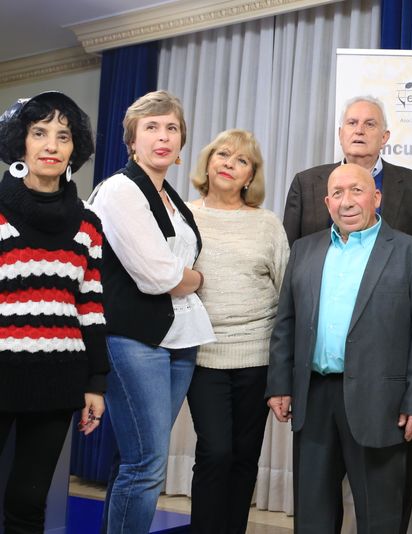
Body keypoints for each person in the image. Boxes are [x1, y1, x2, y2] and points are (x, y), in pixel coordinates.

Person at [266, 163, 412, 533]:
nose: (347, 201)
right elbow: (286, 323)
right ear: (327, 202)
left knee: (380, 515)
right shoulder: (303, 250)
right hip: (313, 398)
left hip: (382, 403)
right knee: (312, 516)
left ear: (377, 197)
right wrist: (280, 384)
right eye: (338, 193)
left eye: (357, 191)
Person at [90, 90, 215, 534]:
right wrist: (195, 279)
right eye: (152, 127)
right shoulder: (121, 190)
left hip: (178, 339)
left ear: (181, 142)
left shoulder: (172, 199)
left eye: (172, 128)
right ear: (132, 139)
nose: (163, 137)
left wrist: (184, 274)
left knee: (134, 458)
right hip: (133, 338)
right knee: (146, 465)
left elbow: (177, 267)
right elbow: (157, 276)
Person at [0, 91, 107, 533]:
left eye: (62, 136)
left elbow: (92, 306)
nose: (50, 145)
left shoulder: (88, 222)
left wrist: (96, 383)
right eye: (39, 132)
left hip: (57, 376)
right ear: (21, 142)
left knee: (28, 502)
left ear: (73, 150)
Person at [186, 129, 289, 533]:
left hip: (258, 357)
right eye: (222, 154)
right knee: (215, 452)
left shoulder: (267, 224)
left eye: (241, 160)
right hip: (204, 355)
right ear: (208, 163)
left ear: (250, 177)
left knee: (245, 455)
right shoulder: (183, 216)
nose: (229, 163)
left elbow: (287, 294)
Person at [283, 95, 412, 244]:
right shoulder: (305, 184)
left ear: (384, 137)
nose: (359, 130)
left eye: (370, 124)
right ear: (340, 134)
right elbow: (291, 252)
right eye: (352, 123)